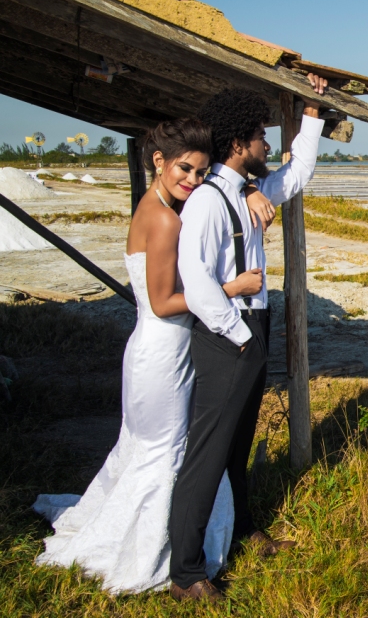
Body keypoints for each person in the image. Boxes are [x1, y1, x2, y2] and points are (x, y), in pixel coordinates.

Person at [32, 119, 273, 594]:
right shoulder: (164, 219)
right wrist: (231, 288)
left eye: (202, 172)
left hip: (161, 346)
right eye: (185, 169)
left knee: (157, 449)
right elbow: (164, 301)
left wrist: (245, 189)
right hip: (163, 351)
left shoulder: (159, 204)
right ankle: (155, 555)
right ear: (158, 162)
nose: (193, 180)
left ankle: (172, 543)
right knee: (164, 453)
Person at [167, 73, 327, 602]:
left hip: (251, 326)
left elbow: (298, 172)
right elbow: (197, 283)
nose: (266, 143)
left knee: (236, 448)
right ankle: (186, 573)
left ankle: (241, 529)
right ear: (238, 144)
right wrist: (240, 337)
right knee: (206, 456)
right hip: (226, 333)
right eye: (260, 135)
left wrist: (311, 113)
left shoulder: (247, 191)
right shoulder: (209, 202)